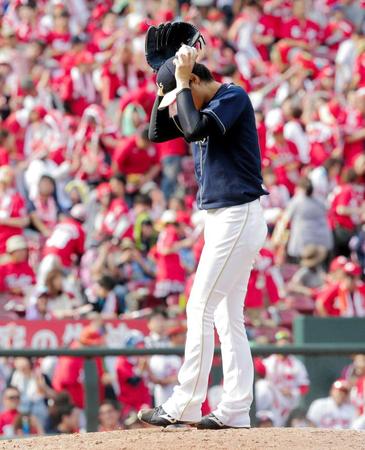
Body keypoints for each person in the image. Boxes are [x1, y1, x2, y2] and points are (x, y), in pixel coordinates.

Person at [138, 42, 268, 429]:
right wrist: (167, 88)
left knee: (200, 307)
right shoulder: (194, 97)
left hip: (237, 215)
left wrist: (180, 83)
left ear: (196, 79)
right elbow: (156, 133)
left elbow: (194, 126)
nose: (181, 103)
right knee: (228, 318)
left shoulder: (233, 96)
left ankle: (185, 403)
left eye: (185, 90)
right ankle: (235, 410)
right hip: (221, 219)